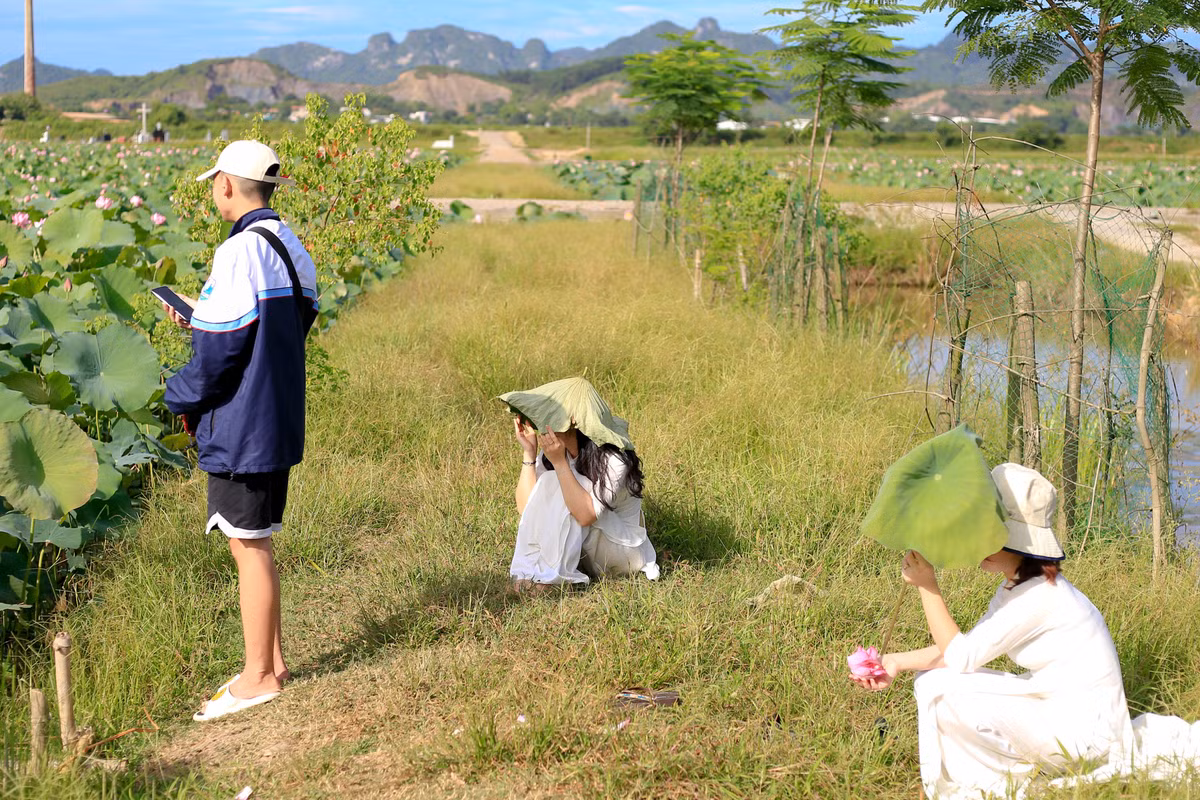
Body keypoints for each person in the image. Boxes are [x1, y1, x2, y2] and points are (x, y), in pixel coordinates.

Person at [853, 463, 1134, 799]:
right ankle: (993, 782)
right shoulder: (1020, 587)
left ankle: (1003, 787)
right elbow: (966, 648)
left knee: (945, 693)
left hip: (1085, 735)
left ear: (1019, 544)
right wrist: (895, 661)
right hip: (1057, 709)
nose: (978, 540)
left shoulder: (1041, 597)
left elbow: (960, 656)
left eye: (990, 533)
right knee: (932, 682)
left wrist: (927, 586)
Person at [162, 139, 318, 722]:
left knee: (247, 546)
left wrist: (175, 393)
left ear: (226, 184)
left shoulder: (238, 252)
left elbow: (220, 354)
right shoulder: (289, 244)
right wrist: (203, 320)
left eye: (214, 182)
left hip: (242, 424)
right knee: (259, 541)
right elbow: (280, 326)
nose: (212, 191)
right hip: (276, 416)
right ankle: (272, 663)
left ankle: (257, 678)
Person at [502, 377, 659, 591]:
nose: (541, 423)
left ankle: (553, 580)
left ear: (573, 421)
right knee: (552, 482)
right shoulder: (555, 451)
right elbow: (527, 508)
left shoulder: (613, 458)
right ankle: (537, 572)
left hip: (621, 553)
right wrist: (529, 453)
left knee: (557, 481)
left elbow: (586, 515)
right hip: (587, 550)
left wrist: (560, 464)